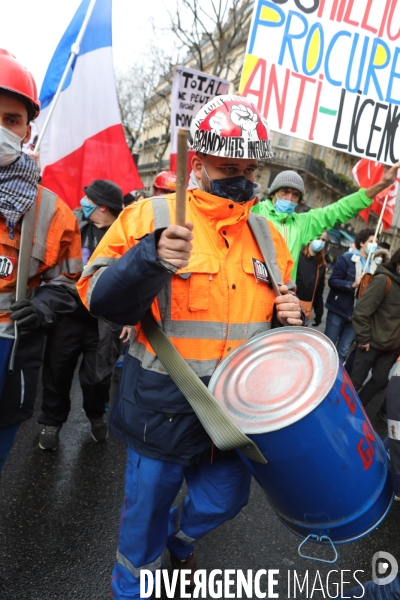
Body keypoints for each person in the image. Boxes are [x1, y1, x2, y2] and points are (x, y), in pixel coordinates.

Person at [77, 94, 303, 599]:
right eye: (228, 166)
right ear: (197, 162)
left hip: (234, 414)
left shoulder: (268, 236)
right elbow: (98, 298)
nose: (242, 177)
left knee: (225, 501)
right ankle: (129, 588)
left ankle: (179, 540)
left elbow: (276, 319)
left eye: (250, 167)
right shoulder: (148, 215)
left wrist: (293, 317)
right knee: (141, 528)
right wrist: (149, 258)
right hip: (163, 408)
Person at [0, 49, 82, 474]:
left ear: (28, 129)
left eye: (10, 120)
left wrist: (44, 305)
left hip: (10, 357)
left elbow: (70, 282)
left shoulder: (54, 213)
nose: (1, 129)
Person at [38, 180, 129, 451]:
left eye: (87, 199)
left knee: (97, 379)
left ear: (102, 206)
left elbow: (135, 280)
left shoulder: (126, 235)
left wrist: (130, 317)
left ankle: (96, 416)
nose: (82, 202)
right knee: (56, 373)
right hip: (66, 318)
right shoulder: (73, 226)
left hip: (104, 324)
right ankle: (51, 423)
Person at [252, 167, 400, 279]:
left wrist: (383, 183)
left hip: (282, 298)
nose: (289, 198)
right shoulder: (254, 210)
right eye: (285, 191)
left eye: (295, 195)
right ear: (273, 193)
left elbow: (340, 209)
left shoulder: (302, 223)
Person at [350, 249, 400, 416]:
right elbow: (361, 311)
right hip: (369, 344)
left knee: (380, 380)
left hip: (389, 349)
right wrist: (364, 338)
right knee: (354, 382)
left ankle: (357, 410)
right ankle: (339, 411)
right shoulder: (383, 280)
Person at [324, 228, 377, 363]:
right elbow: (333, 281)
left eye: (376, 242)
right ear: (362, 243)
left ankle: (336, 381)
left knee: (342, 352)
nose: (374, 244)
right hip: (339, 310)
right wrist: (352, 285)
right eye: (371, 241)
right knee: (327, 348)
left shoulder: (374, 267)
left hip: (356, 317)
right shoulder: (347, 259)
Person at [295, 232, 327, 326]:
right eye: (318, 238)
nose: (320, 242)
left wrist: (319, 313)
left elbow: (318, 291)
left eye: (323, 240)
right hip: (291, 305)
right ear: (310, 239)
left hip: (305, 311)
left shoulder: (320, 265)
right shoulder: (297, 256)